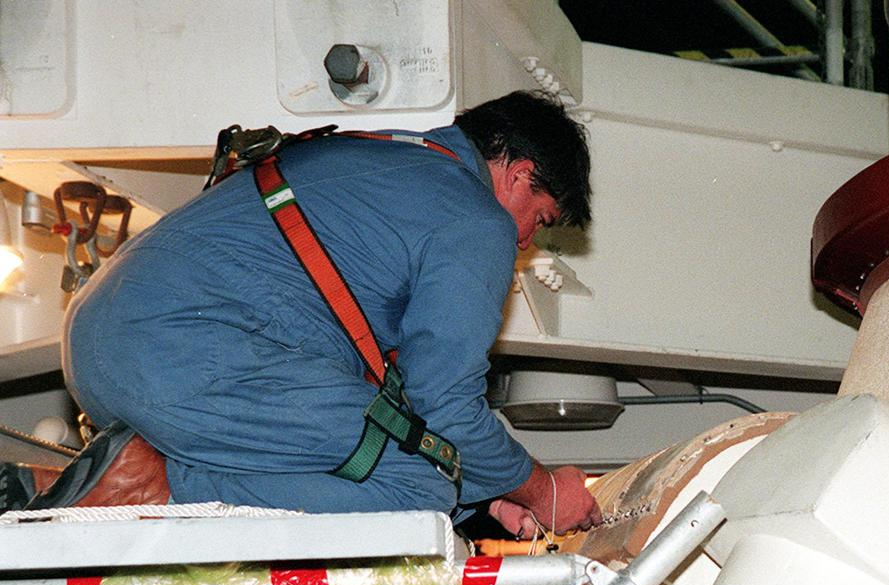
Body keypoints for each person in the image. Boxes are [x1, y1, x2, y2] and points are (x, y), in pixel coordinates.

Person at [60, 91, 601, 536]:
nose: (526, 239)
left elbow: (398, 408)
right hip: (185, 354)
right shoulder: (476, 218)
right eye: (540, 218)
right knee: (417, 488)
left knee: (408, 466)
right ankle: (153, 486)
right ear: (519, 175)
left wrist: (489, 491)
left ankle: (133, 472)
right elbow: (444, 405)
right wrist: (543, 490)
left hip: (99, 346)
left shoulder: (376, 155)